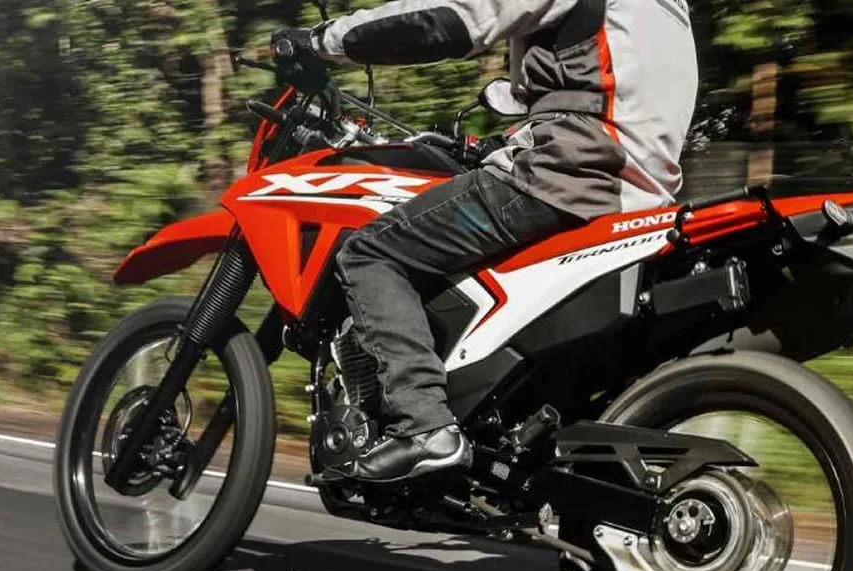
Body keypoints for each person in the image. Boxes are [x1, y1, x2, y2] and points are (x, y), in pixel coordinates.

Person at [277, 0, 698, 483]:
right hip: (641, 196)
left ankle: (423, 426)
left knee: (371, 252)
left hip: (565, 175)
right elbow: (610, 89)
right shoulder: (672, 9)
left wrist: (324, 41)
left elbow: (454, 16)